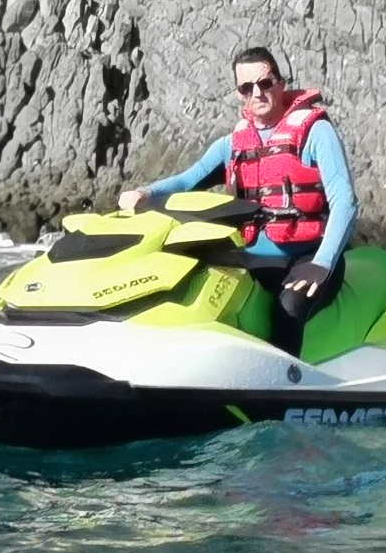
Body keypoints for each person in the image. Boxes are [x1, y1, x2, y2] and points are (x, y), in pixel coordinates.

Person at [118, 46, 357, 355]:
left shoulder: (315, 132)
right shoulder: (233, 143)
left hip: (307, 257)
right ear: (239, 94)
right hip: (252, 256)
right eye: (247, 87)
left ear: (280, 82)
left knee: (288, 307)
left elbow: (345, 202)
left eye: (265, 83)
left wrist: (323, 264)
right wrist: (145, 193)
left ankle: (280, 392)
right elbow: (188, 180)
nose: (257, 92)